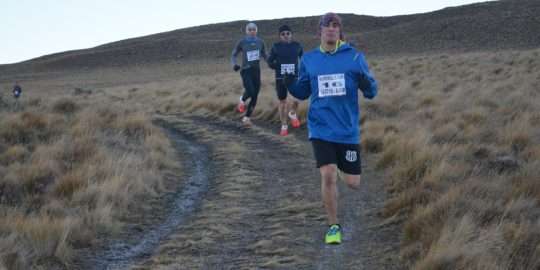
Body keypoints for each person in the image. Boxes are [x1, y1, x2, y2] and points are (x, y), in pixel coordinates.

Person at [284, 13, 378, 244]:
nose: (331, 29)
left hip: (347, 130)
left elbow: (371, 92)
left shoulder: (355, 57)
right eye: (327, 25)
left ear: (340, 32)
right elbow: (302, 91)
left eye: (336, 25)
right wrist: (289, 82)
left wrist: (366, 84)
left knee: (353, 183)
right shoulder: (309, 59)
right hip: (321, 128)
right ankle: (333, 226)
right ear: (320, 31)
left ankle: (340, 170)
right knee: (327, 175)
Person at [267, 25, 303, 136]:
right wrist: (276, 66)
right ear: (279, 36)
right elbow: (269, 61)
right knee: (282, 102)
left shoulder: (297, 46)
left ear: (291, 35)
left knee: (296, 100)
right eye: (283, 34)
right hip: (280, 78)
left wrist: (302, 69)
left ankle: (292, 114)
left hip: (294, 77)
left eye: (288, 33)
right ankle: (284, 125)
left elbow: (303, 59)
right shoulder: (275, 47)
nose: (286, 36)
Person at [231, 22, 268, 126]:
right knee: (251, 91)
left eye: (254, 29)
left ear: (256, 30)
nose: (252, 31)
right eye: (250, 29)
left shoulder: (260, 42)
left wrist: (271, 62)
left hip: (256, 71)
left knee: (255, 96)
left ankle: (246, 118)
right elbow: (233, 55)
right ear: (246, 31)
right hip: (245, 70)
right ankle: (242, 100)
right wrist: (234, 64)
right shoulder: (242, 42)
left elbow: (265, 55)